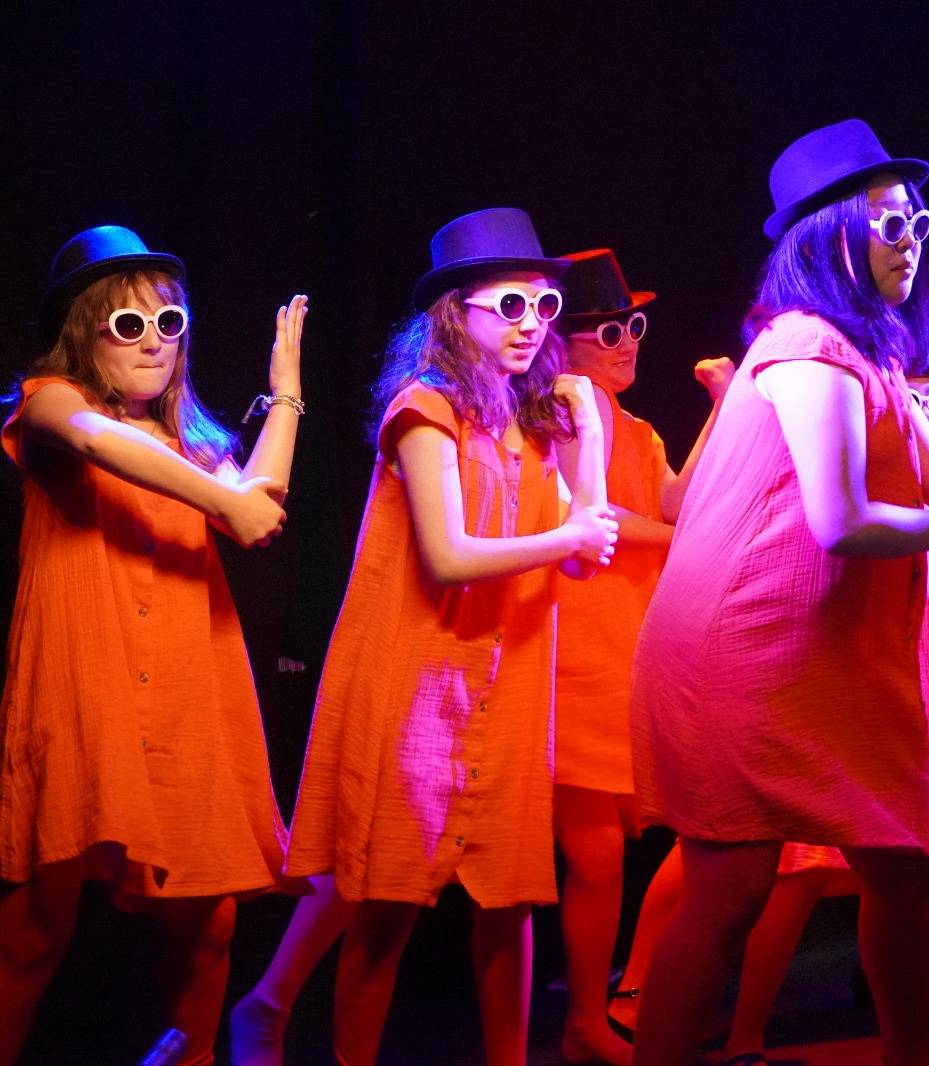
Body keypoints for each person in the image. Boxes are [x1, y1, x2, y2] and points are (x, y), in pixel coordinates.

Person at [627, 119, 929, 1066]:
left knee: (904, 869)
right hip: (747, 651)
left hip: (827, 655)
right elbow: (842, 519)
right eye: (889, 225)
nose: (911, 242)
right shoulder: (805, 347)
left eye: (917, 223)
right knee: (730, 891)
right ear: (827, 238)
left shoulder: (871, 357)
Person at [273, 207, 616, 1066]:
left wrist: (590, 430)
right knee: (386, 905)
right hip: (419, 684)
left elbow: (588, 551)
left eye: (544, 307)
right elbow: (450, 554)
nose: (532, 325)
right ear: (457, 313)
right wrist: (570, 537)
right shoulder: (424, 407)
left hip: (508, 687)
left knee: (510, 903)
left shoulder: (535, 418)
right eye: (511, 305)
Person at [0, 225, 306, 1066]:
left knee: (212, 918)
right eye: (128, 324)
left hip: (185, 688)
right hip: (87, 685)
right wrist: (225, 498)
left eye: (168, 323)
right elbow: (101, 441)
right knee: (37, 926)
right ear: (85, 333)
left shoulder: (190, 445)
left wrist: (285, 395)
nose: (153, 343)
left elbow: (255, 505)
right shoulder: (48, 401)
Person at [550, 247, 730, 1065]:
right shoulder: (561, 413)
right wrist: (677, 538)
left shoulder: (638, 429)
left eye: (634, 327)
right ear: (565, 341)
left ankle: (607, 1008)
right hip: (574, 646)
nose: (628, 344)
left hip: (629, 647)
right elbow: (605, 521)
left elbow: (677, 502)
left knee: (615, 853)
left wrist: (721, 406)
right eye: (609, 331)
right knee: (592, 855)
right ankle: (588, 1022)